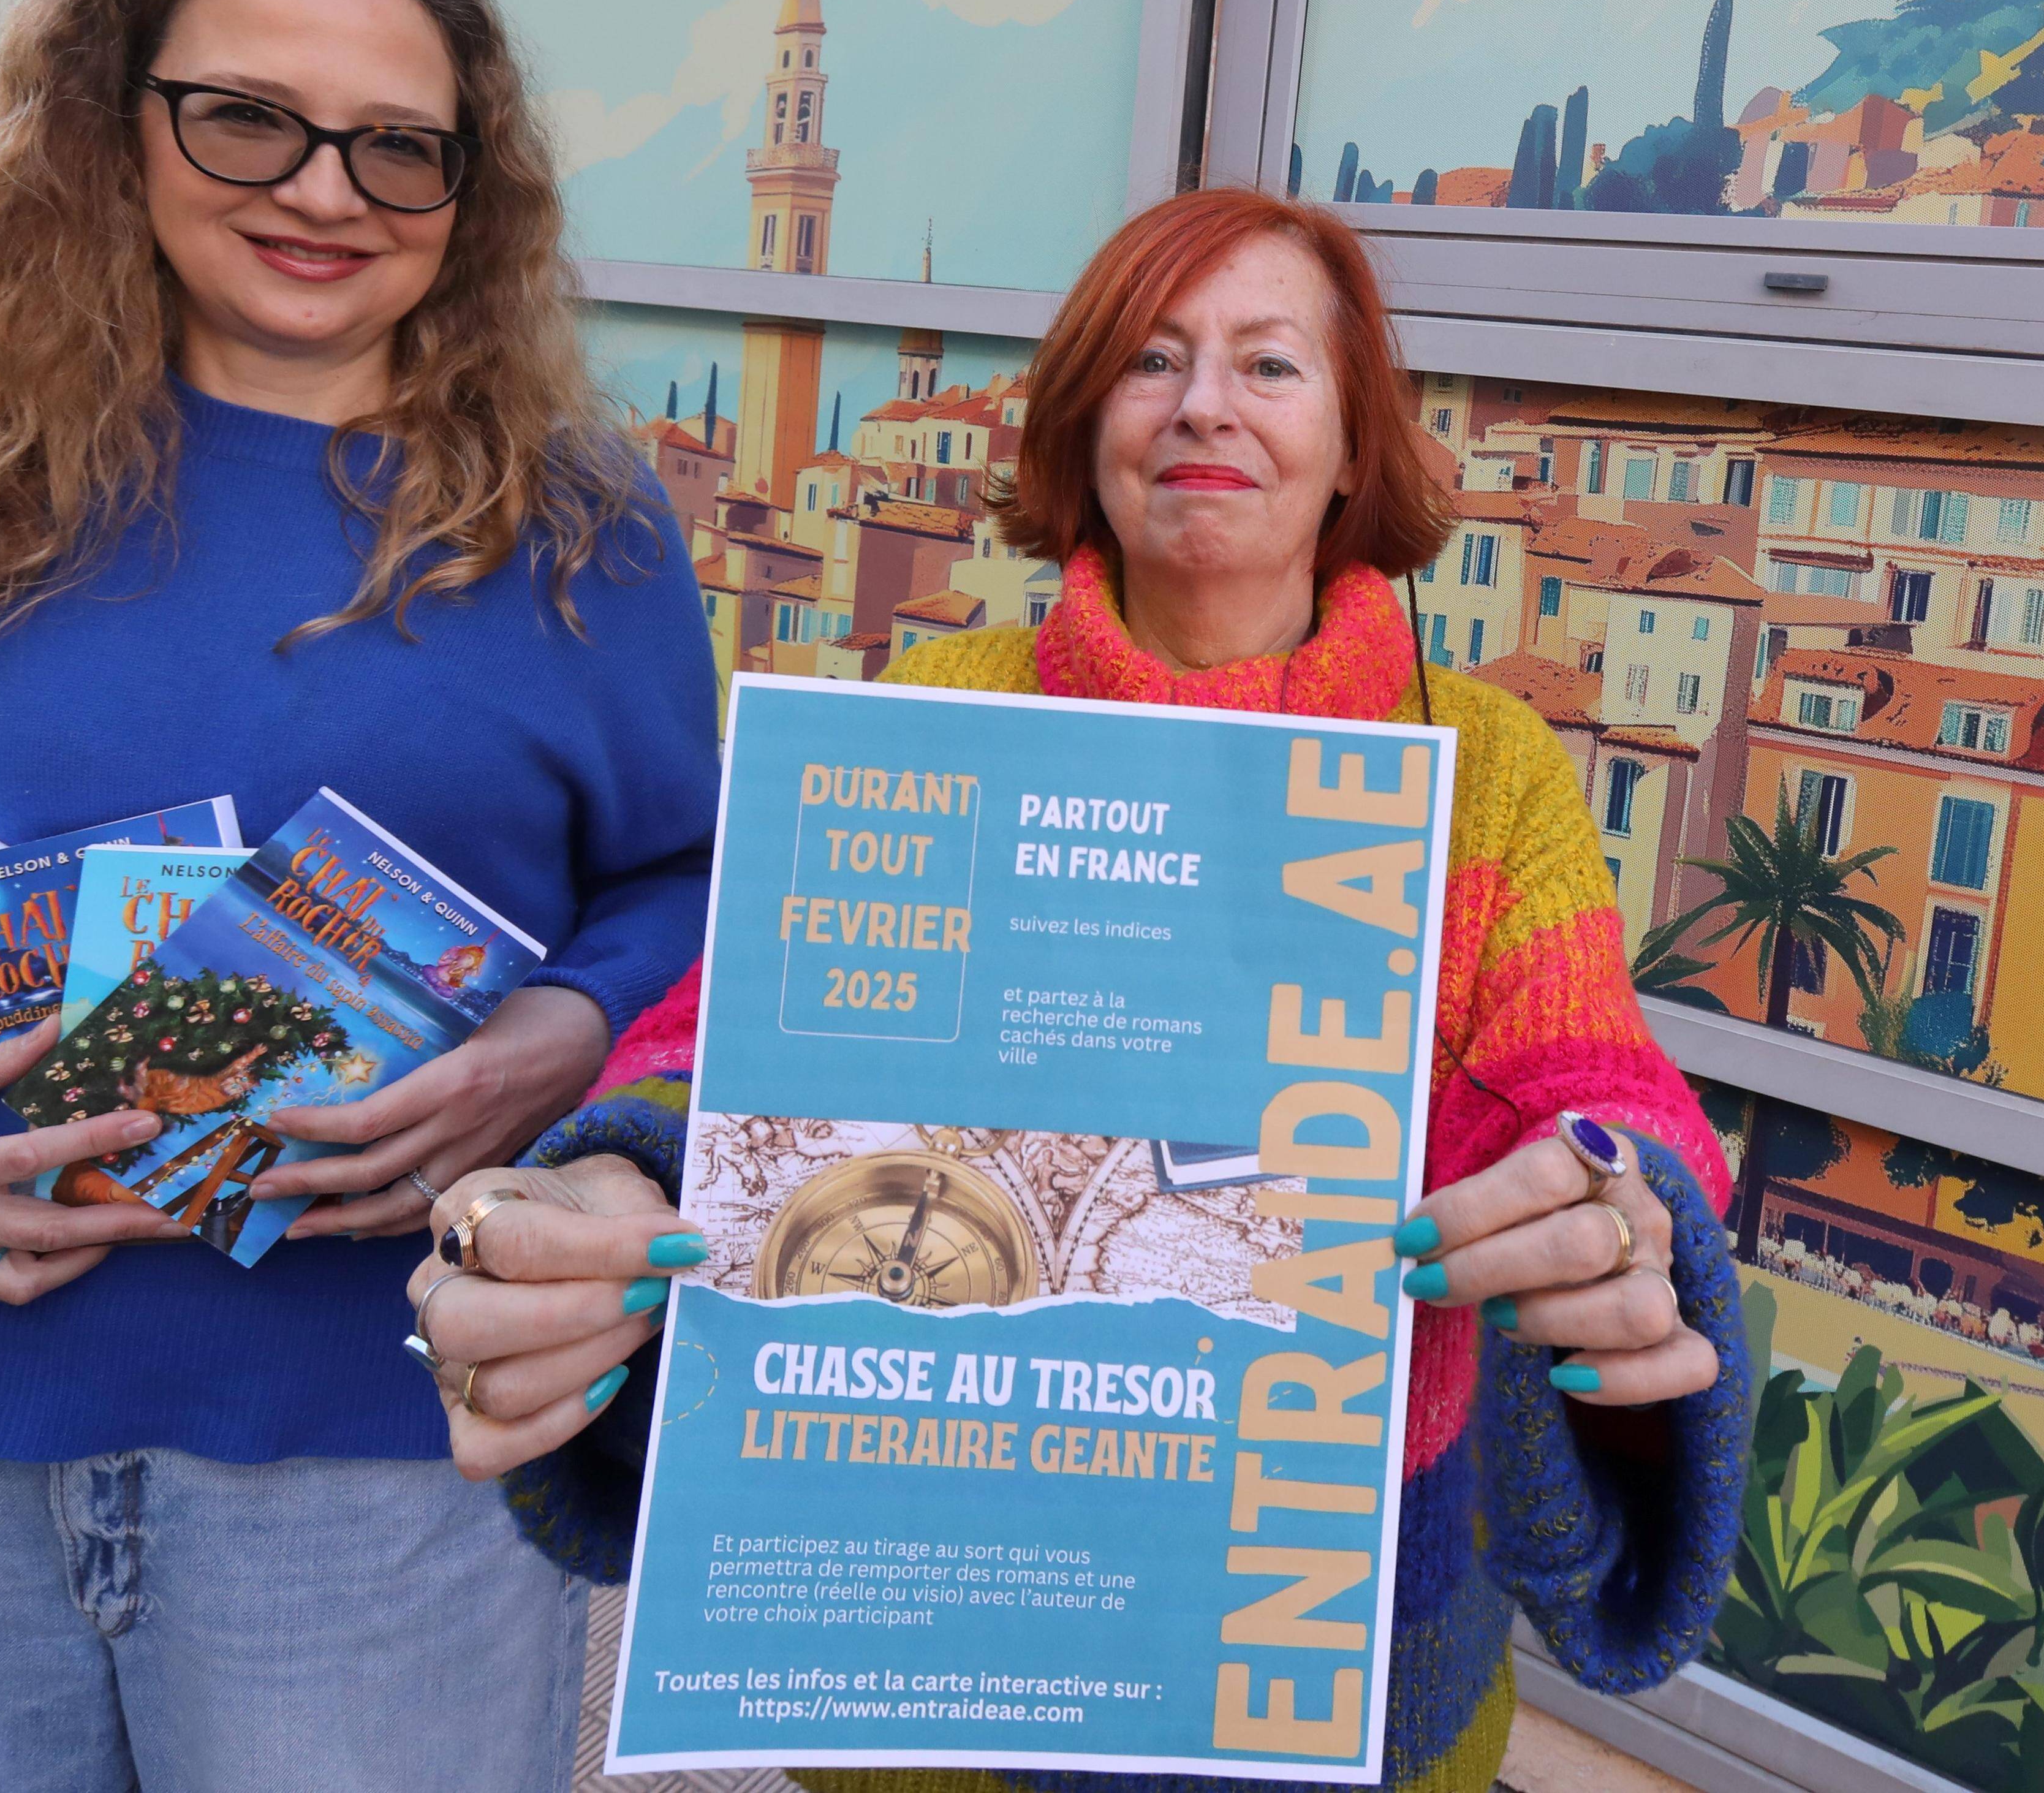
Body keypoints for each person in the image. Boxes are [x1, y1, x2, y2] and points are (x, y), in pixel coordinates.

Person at [406, 186, 1757, 1790]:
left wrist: (1622, 1198)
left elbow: (1580, 1073)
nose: (1203, 405)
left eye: (1270, 366)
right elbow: (748, 1033)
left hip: (1335, 1607)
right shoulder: (939, 703)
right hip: (959, 1573)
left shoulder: (1488, 765)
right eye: (1152, 360)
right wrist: (629, 1175)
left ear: (1351, 442)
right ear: (1086, 421)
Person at [0, 0, 721, 1793]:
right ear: (112, 130)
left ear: (465, 198)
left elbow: (693, 886)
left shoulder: (575, 525)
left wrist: (558, 1043)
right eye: (247, 116)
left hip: (368, 1434)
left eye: (399, 149)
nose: (324, 190)